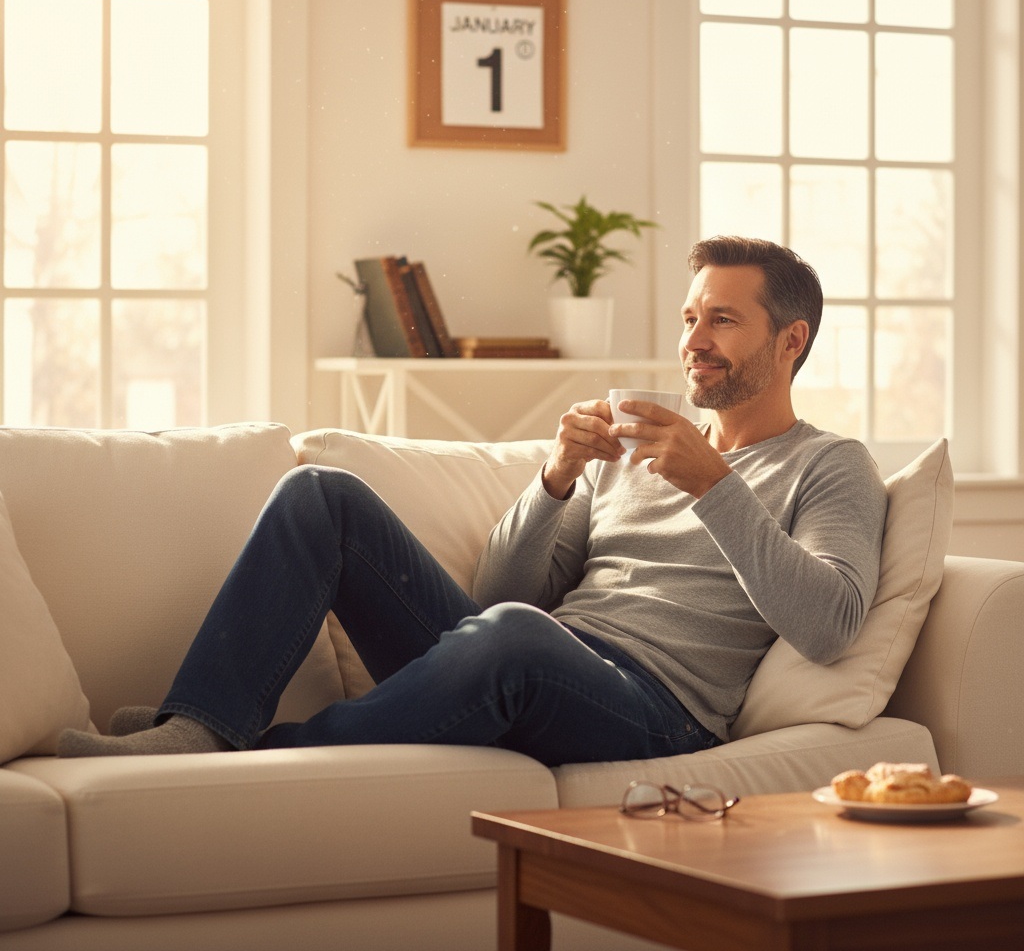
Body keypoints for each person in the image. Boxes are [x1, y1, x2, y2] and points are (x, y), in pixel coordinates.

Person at [58, 236, 887, 765]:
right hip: (531, 655)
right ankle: (201, 723)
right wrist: (555, 478)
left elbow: (828, 624)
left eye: (723, 321)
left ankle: (243, 752)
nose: (693, 343)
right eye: (689, 317)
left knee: (518, 641)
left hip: (656, 712)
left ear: (790, 341)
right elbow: (497, 602)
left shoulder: (830, 465)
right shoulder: (633, 447)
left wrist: (715, 486)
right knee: (322, 494)